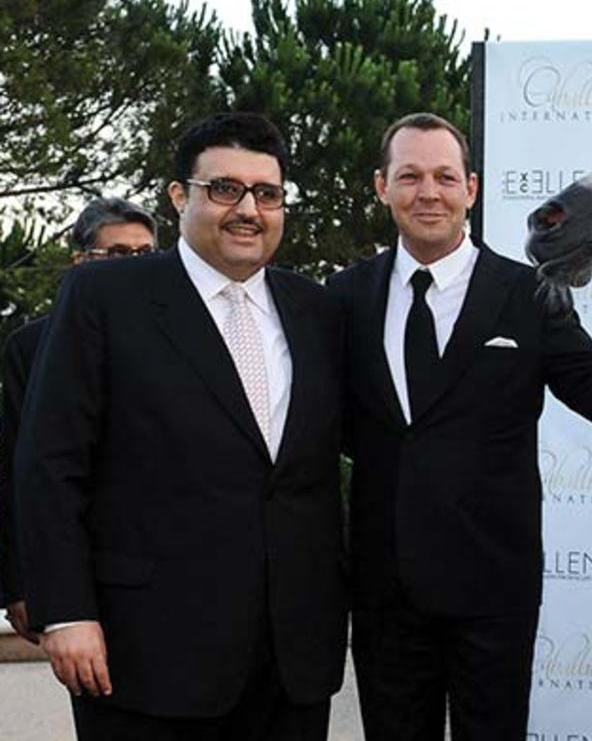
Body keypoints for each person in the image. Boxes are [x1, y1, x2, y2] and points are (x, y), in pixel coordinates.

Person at [327, 112, 592, 741]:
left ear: (471, 188)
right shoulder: (344, 297)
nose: (429, 192)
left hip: (493, 589)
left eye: (445, 176)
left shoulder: (529, 293)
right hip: (385, 591)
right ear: (381, 186)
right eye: (410, 176)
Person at [14, 112, 348, 741]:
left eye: (267, 193)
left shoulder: (318, 310)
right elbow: (49, 463)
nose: (248, 209)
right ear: (178, 197)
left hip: (292, 662)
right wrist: (66, 613)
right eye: (225, 189)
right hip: (145, 657)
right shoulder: (104, 298)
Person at [1, 196, 157, 644]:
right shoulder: (31, 347)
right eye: (117, 255)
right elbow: (19, 469)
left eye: (144, 255)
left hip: (167, 571)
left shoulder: (178, 344)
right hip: (77, 569)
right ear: (79, 261)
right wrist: (22, 583)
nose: (132, 267)